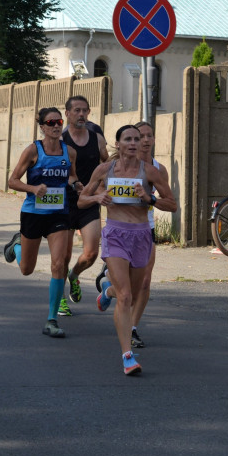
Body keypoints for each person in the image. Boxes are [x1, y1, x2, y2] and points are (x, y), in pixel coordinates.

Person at [79, 125, 174, 375]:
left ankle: (107, 291)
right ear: (118, 144)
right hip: (115, 234)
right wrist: (97, 199)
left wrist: (150, 198)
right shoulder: (104, 170)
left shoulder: (150, 172)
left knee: (129, 291)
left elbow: (172, 204)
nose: (134, 143)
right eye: (128, 139)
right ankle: (127, 356)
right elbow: (81, 200)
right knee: (126, 297)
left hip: (142, 235)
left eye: (138, 138)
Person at [5, 107, 81, 338]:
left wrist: (77, 185)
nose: (56, 126)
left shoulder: (70, 152)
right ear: (42, 127)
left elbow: (72, 176)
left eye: (59, 121)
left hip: (59, 213)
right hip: (33, 213)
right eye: (51, 122)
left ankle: (51, 319)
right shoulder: (32, 150)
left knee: (59, 264)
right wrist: (32, 188)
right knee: (26, 269)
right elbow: (13, 181)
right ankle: (16, 245)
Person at [58, 95, 109, 317]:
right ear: (67, 113)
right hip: (65, 202)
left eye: (85, 110)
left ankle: (74, 275)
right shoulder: (60, 140)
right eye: (76, 110)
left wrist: (106, 190)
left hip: (89, 200)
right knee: (63, 254)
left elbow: (106, 165)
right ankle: (59, 299)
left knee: (90, 253)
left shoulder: (96, 139)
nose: (81, 114)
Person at [128, 120, 176, 348]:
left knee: (145, 282)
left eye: (149, 136)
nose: (145, 140)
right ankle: (108, 291)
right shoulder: (120, 165)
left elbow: (170, 202)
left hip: (146, 227)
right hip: (121, 229)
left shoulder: (159, 169)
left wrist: (151, 199)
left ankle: (133, 328)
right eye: (140, 136)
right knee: (126, 286)